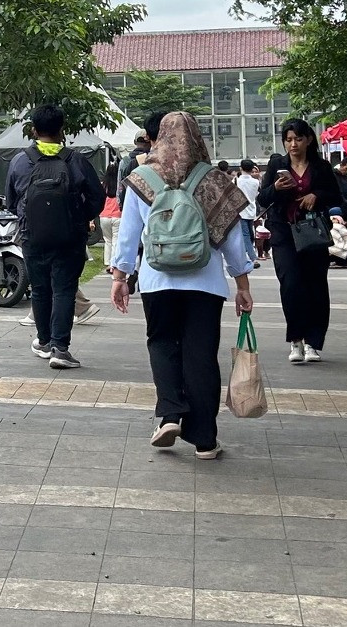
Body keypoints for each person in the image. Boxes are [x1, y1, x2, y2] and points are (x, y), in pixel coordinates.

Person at [109, 111, 254, 459]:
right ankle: (204, 438)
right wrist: (243, 285)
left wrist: (120, 278)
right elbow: (234, 241)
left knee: (161, 343)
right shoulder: (215, 180)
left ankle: (170, 413)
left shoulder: (142, 178)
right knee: (201, 354)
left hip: (157, 280)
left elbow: (128, 236)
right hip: (205, 283)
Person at [6, 106, 107, 370]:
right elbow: (97, 198)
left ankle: (43, 341)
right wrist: (78, 216)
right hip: (69, 237)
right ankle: (60, 349)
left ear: (33, 130)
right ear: (62, 129)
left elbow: (11, 201)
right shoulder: (75, 160)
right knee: (64, 289)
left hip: (32, 237)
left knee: (40, 290)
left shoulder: (20, 161)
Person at [257, 119, 347, 364]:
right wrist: (276, 187)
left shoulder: (321, 167)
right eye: (288, 139)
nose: (293, 144)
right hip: (284, 234)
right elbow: (263, 199)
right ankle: (295, 340)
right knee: (291, 285)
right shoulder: (277, 164)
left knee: (316, 287)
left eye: (297, 138)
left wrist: (315, 195)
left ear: (308, 139)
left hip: (313, 233)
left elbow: (337, 197)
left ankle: (313, 343)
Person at [235, 160, 261, 265]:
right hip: (252, 210)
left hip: (240, 211)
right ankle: (250, 255)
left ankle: (252, 257)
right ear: (252, 169)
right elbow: (256, 195)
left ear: (241, 168)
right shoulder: (256, 182)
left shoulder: (236, 181)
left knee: (245, 234)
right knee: (250, 233)